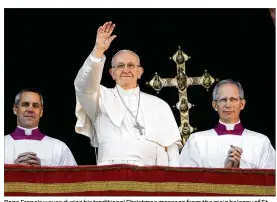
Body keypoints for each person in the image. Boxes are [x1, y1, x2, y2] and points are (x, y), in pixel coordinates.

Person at [74, 21, 182, 166]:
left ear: (140, 72)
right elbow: (83, 85)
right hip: (111, 176)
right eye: (120, 66)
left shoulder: (159, 105)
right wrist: (98, 51)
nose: (126, 70)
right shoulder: (99, 98)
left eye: (131, 65)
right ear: (112, 73)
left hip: (152, 179)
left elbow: (173, 151)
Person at [179, 79, 275, 169]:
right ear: (215, 105)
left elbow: (271, 181)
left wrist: (240, 169)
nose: (228, 105)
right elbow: (188, 181)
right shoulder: (196, 141)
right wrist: (224, 172)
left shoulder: (261, 142)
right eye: (223, 100)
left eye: (233, 99)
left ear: (242, 104)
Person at [5, 89, 77, 166]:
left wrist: (42, 171)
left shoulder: (59, 147)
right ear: (15, 109)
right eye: (25, 104)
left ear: (41, 112)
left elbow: (72, 177)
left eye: (35, 106)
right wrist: (11, 170)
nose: (30, 109)